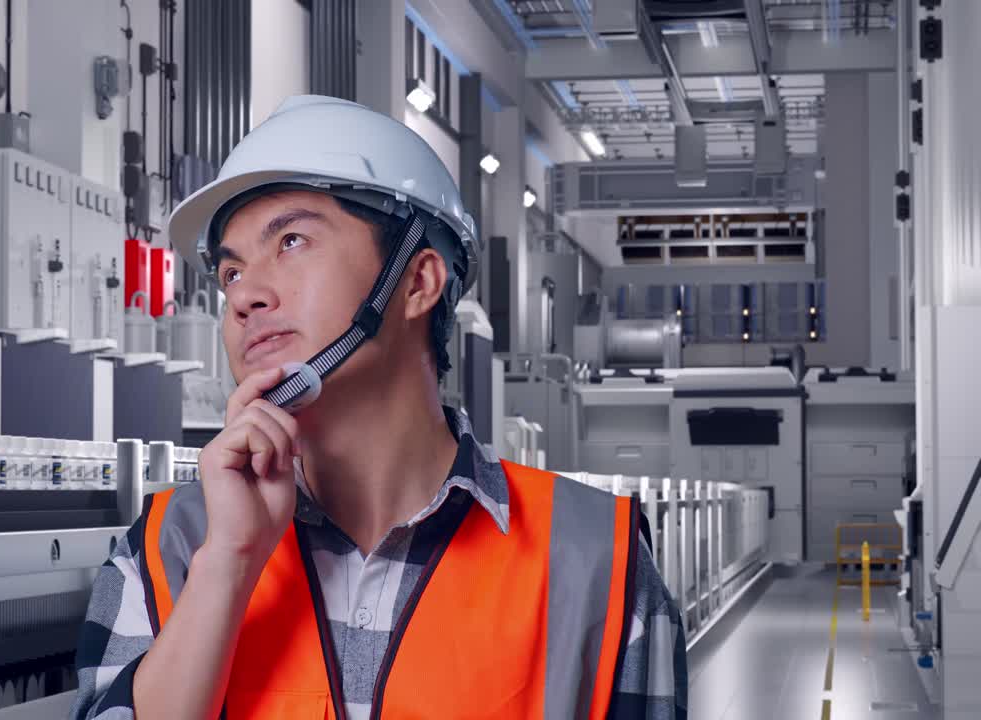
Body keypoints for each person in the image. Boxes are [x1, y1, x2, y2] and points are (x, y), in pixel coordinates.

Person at [71, 95, 687, 720]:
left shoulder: (595, 561)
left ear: (418, 282)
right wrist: (226, 566)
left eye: (290, 240)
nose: (245, 296)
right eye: (229, 274)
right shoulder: (165, 549)